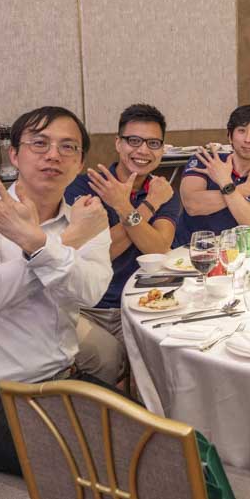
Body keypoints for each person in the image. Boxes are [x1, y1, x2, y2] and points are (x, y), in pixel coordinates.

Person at [0, 106, 112, 474]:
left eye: (68, 147)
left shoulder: (88, 217)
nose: (53, 155)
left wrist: (44, 245)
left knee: (167, 446)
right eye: (39, 143)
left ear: (80, 163)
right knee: (105, 466)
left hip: (64, 381)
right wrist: (64, 241)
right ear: (14, 154)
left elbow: (90, 291)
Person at [65, 104, 180, 383]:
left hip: (142, 304)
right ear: (118, 143)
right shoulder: (85, 186)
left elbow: (157, 249)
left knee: (166, 368)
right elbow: (100, 253)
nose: (143, 150)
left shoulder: (162, 190)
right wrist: (146, 206)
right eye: (134, 141)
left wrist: (125, 208)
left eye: (153, 143)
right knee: (110, 361)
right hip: (88, 307)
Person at [177, 104, 250, 245]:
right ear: (230, 136)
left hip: (238, 253)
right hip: (189, 251)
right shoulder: (206, 162)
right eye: (241, 130)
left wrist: (225, 182)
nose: (248, 139)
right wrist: (246, 189)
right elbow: (192, 205)